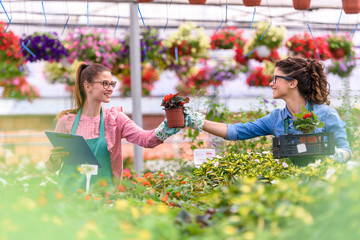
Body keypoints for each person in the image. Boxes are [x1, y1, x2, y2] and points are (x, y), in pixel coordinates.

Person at [184, 56, 352, 163]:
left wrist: (336, 155)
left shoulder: (326, 114)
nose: (271, 83)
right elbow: (237, 131)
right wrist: (196, 121)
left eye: (275, 79)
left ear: (292, 83)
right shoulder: (276, 118)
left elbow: (346, 151)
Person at [45, 62, 179, 191]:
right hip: (69, 199)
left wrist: (170, 124)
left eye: (112, 84)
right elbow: (52, 168)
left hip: (102, 198)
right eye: (105, 83)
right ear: (87, 86)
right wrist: (54, 158)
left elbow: (146, 139)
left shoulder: (114, 119)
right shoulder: (66, 122)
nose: (110, 88)